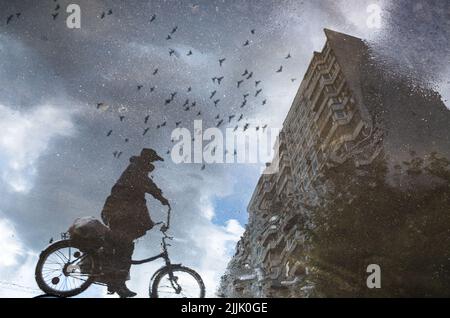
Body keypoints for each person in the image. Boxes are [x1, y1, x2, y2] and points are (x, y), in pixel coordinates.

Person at [101, 148, 169, 298]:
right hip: (119, 211)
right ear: (146, 159)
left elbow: (146, 184)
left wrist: (159, 196)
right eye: (152, 160)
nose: (152, 164)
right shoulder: (136, 170)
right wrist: (160, 197)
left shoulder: (137, 169)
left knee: (124, 246)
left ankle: (115, 281)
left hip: (118, 211)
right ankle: (116, 282)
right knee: (125, 245)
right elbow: (146, 184)